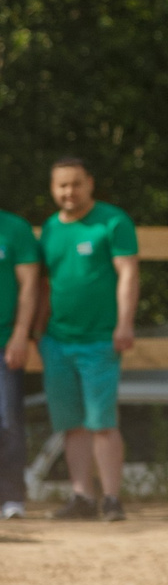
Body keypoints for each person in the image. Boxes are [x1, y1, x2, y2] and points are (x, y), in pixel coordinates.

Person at [38, 159, 138, 521]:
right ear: (53, 189)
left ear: (90, 183)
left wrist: (124, 324)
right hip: (57, 340)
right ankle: (81, 497)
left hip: (100, 340)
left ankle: (111, 498)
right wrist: (37, 330)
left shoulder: (113, 221)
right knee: (70, 424)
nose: (69, 192)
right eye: (62, 185)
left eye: (76, 184)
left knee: (102, 423)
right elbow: (44, 285)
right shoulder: (49, 228)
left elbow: (128, 273)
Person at [0, 203, 38, 520]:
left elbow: (29, 285)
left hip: (5, 342)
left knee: (9, 422)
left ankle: (12, 497)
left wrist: (20, 334)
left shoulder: (15, 228)